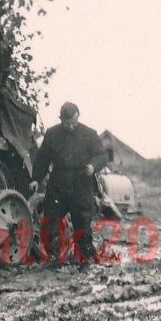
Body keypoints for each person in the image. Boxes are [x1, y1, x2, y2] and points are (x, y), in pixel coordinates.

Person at [30, 102, 108, 266]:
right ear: (61, 119)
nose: (70, 127)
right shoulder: (52, 134)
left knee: (82, 225)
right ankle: (54, 258)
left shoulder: (89, 134)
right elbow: (43, 158)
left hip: (81, 182)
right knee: (50, 223)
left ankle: (84, 259)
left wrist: (93, 167)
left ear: (78, 116)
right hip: (58, 182)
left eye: (73, 123)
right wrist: (36, 178)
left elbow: (101, 156)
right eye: (66, 123)